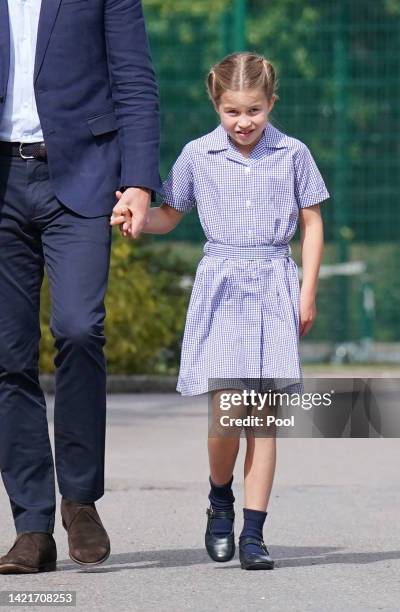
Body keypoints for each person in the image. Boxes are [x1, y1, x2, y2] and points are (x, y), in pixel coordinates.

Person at [111, 51, 329, 570]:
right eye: (232, 112)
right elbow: (170, 214)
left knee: (263, 419)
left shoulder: (293, 153)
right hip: (222, 287)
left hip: (275, 284)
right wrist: (136, 217)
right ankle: (220, 498)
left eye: (254, 110)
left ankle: (254, 535)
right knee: (227, 414)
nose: (243, 122)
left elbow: (312, 223)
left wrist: (308, 291)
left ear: (271, 103)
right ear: (217, 105)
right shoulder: (198, 155)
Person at [0, 0, 161, 573]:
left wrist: (140, 180)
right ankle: (32, 526)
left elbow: (135, 79)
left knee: (79, 328)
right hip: (3, 184)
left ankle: (80, 499)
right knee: (7, 357)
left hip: (84, 175)